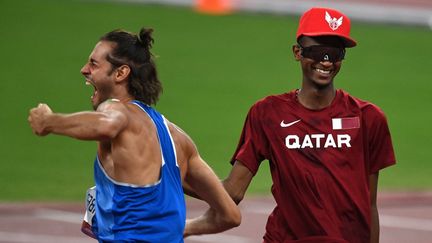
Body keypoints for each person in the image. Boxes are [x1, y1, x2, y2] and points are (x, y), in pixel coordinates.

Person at [28, 27, 240, 242]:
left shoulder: (117, 110)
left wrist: (49, 122)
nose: (84, 69)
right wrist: (182, 228)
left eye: (93, 63)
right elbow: (229, 215)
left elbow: (107, 125)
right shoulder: (180, 140)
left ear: (121, 73)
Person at [222, 7, 396, 243]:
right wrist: (173, 174)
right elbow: (233, 191)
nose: (326, 61)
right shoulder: (267, 114)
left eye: (335, 53)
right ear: (297, 52)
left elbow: (370, 204)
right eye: (318, 51)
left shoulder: (368, 118)